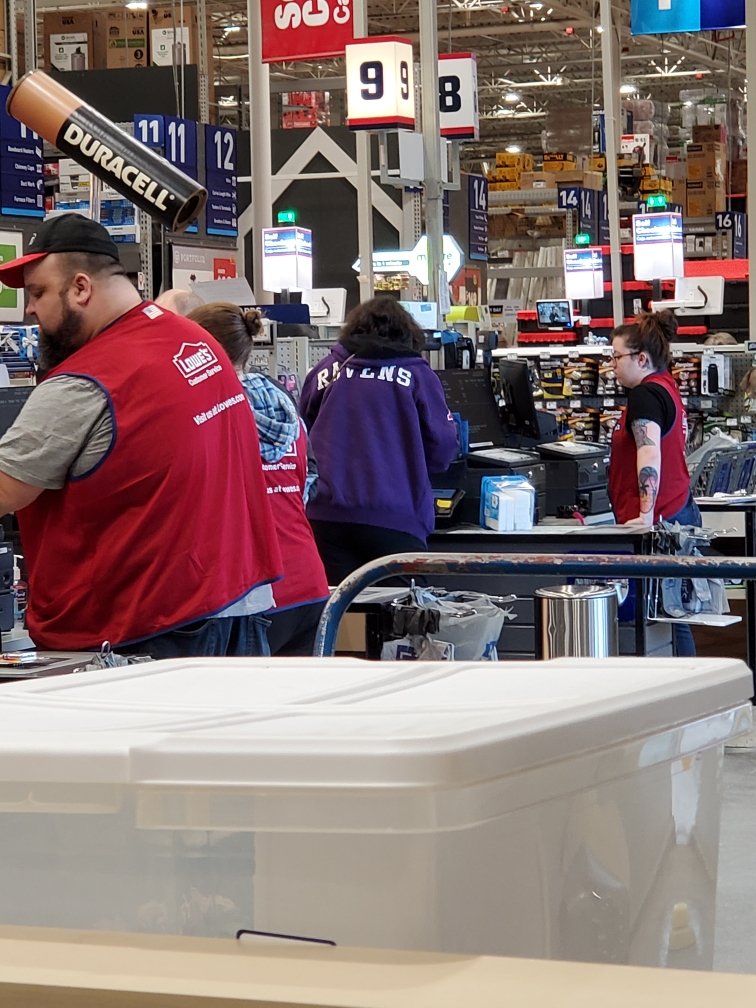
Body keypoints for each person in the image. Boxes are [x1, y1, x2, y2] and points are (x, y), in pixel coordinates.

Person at [0, 213, 281, 656]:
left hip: (144, 631)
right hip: (238, 603)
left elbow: (5, 490)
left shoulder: (88, 379)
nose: (31, 309)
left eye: (37, 293)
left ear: (80, 288)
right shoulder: (195, 340)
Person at [188, 301, 330, 656]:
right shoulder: (289, 416)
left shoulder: (211, 418)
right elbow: (304, 485)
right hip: (308, 581)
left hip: (254, 593)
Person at [300, 296, 459, 585]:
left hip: (326, 516)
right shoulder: (417, 375)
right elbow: (442, 450)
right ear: (407, 334)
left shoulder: (324, 371)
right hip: (395, 519)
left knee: (339, 620)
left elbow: (301, 437)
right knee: (402, 619)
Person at [608, 308, 700, 656]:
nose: (612, 364)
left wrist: (645, 515)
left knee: (672, 624)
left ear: (642, 358)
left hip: (660, 520)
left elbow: (649, 454)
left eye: (617, 356)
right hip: (676, 510)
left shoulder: (645, 395)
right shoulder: (666, 386)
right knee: (672, 619)